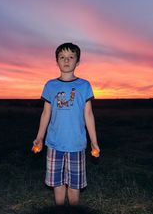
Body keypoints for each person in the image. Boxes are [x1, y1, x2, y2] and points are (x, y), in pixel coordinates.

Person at [33, 42, 100, 206]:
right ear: (57, 61)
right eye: (62, 57)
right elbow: (46, 113)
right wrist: (39, 137)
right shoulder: (51, 85)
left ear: (77, 61)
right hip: (54, 143)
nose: (66, 60)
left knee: (74, 186)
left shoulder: (84, 85)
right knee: (58, 184)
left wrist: (94, 142)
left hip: (76, 144)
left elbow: (88, 114)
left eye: (71, 57)